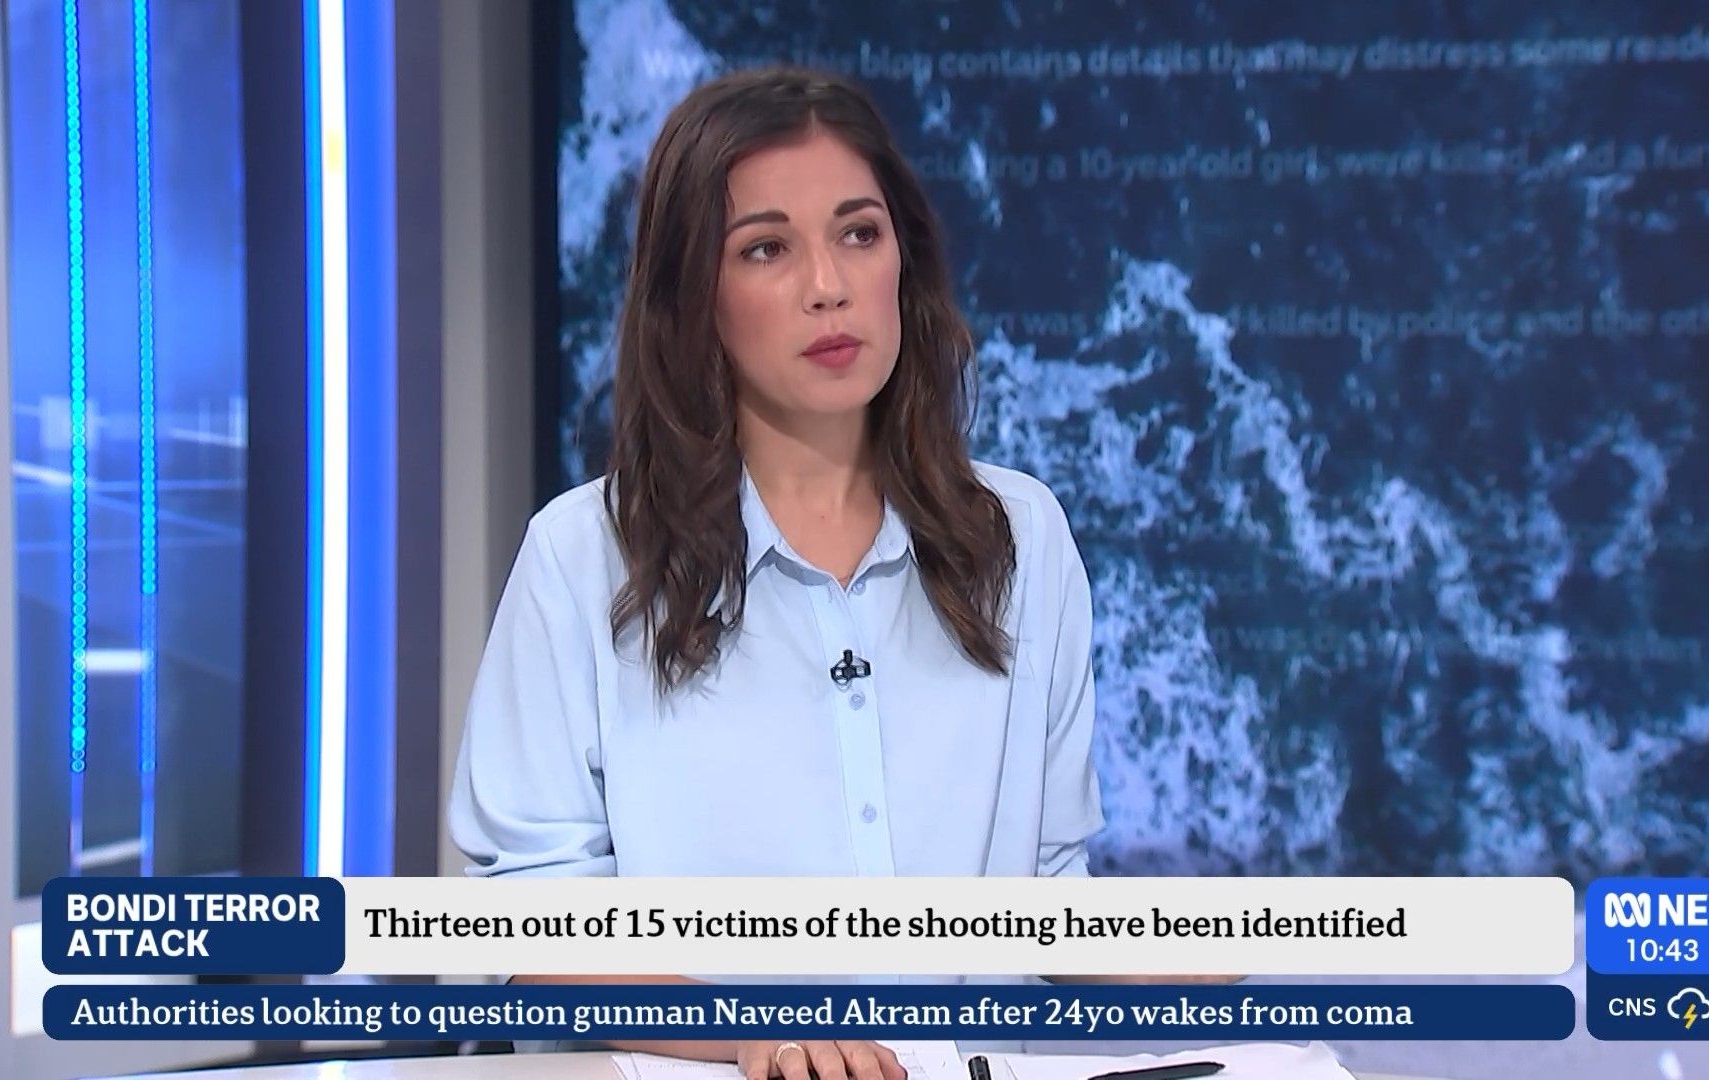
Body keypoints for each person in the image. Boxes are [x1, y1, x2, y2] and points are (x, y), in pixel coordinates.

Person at [449, 66, 1213, 1080]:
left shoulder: (1020, 538)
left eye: (859, 233)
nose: (829, 285)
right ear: (694, 296)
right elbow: (532, 924)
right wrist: (758, 1034)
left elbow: (1041, 887)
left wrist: (1185, 961)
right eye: (767, 248)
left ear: (905, 260)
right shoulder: (583, 558)